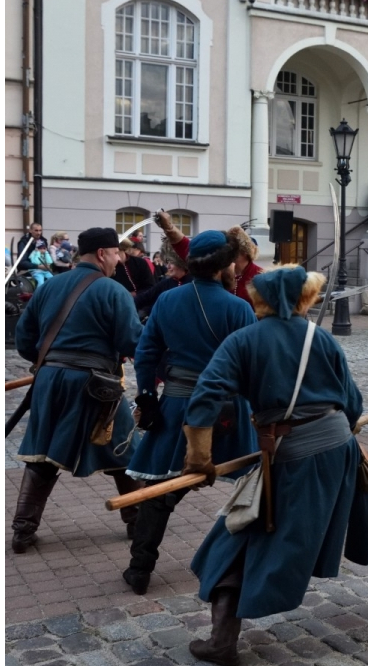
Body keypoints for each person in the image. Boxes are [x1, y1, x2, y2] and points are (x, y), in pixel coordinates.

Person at [179, 265, 368, 663]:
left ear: (258, 298)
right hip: (339, 448)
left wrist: (199, 457)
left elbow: (207, 395)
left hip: (293, 457)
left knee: (237, 538)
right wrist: (339, 436)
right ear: (303, 299)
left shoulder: (242, 340)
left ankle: (222, 640)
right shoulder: (321, 339)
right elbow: (353, 404)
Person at [123, 231, 258, 596]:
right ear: (225, 265)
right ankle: (249, 561)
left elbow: (146, 353)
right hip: (227, 409)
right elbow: (250, 367)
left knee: (160, 491)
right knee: (255, 482)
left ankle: (140, 568)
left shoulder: (167, 301)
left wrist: (148, 395)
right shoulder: (238, 307)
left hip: (180, 404)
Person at [11, 227, 144, 553]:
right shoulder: (114, 291)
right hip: (94, 385)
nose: (119, 258)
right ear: (102, 254)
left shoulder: (48, 286)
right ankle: (139, 524)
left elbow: (25, 341)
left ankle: (22, 532)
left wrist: (54, 362)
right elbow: (131, 342)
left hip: (49, 380)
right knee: (124, 450)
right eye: (116, 253)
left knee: (42, 456)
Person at [226, 226, 263, 309]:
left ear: (245, 253)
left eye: (233, 252)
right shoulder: (223, 273)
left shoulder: (260, 276)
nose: (229, 256)